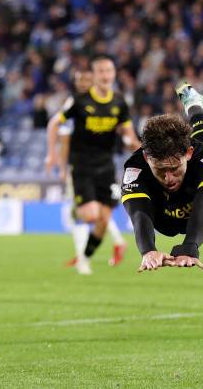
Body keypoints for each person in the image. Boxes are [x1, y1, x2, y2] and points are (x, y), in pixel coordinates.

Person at [121, 82, 203, 271]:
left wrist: (190, 246)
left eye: (174, 168)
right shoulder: (135, 168)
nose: (169, 178)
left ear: (188, 154)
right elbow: (139, 213)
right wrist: (148, 250)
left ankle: (194, 104)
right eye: (160, 170)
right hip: (163, 218)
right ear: (147, 157)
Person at [46, 55, 140, 275]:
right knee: (91, 215)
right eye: (101, 72)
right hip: (82, 166)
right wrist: (51, 155)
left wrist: (135, 145)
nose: (106, 75)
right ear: (94, 75)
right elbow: (53, 124)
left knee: (104, 219)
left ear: (114, 74)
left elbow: (129, 135)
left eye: (109, 71)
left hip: (106, 167)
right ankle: (88, 254)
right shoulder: (79, 101)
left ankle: (84, 258)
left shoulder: (119, 102)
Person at [56, 69, 128, 268]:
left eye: (86, 79)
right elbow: (64, 137)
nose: (82, 83)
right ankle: (115, 242)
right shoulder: (75, 103)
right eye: (79, 79)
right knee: (94, 212)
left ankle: (83, 257)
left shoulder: (99, 104)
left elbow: (66, 139)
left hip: (90, 166)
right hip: (81, 164)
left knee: (84, 212)